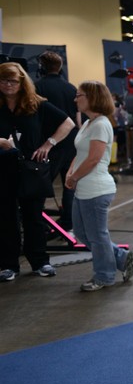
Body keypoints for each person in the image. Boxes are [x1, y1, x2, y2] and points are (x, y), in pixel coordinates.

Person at [0, 62, 75, 282]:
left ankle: (40, 261)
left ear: (22, 82)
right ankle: (8, 265)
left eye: (13, 81)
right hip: (3, 169)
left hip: (31, 169)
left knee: (33, 216)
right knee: (5, 218)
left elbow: (68, 123)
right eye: (3, 80)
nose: (8, 85)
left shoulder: (36, 105)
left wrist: (48, 144)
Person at [65, 80, 133, 291]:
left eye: (79, 95)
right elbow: (81, 154)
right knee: (83, 235)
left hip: (96, 189)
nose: (75, 99)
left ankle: (104, 276)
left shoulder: (102, 124)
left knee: (97, 236)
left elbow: (94, 159)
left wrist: (74, 177)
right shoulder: (87, 124)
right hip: (83, 189)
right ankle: (121, 258)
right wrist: (70, 172)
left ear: (92, 98)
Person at [35, 51, 80, 231]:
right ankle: (69, 224)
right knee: (69, 185)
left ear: (41, 67)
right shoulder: (71, 88)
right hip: (72, 143)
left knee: (38, 187)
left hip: (50, 144)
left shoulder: (37, 87)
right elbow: (78, 120)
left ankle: (37, 224)